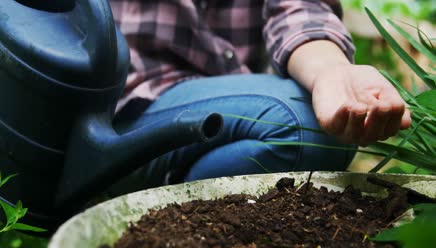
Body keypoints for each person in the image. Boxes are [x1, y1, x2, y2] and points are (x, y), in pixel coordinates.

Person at [107, 0, 411, 194]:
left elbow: (300, 10)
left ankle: (175, 209)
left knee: (320, 130)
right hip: (131, 110)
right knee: (301, 129)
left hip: (242, 100)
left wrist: (331, 72)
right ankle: (163, 208)